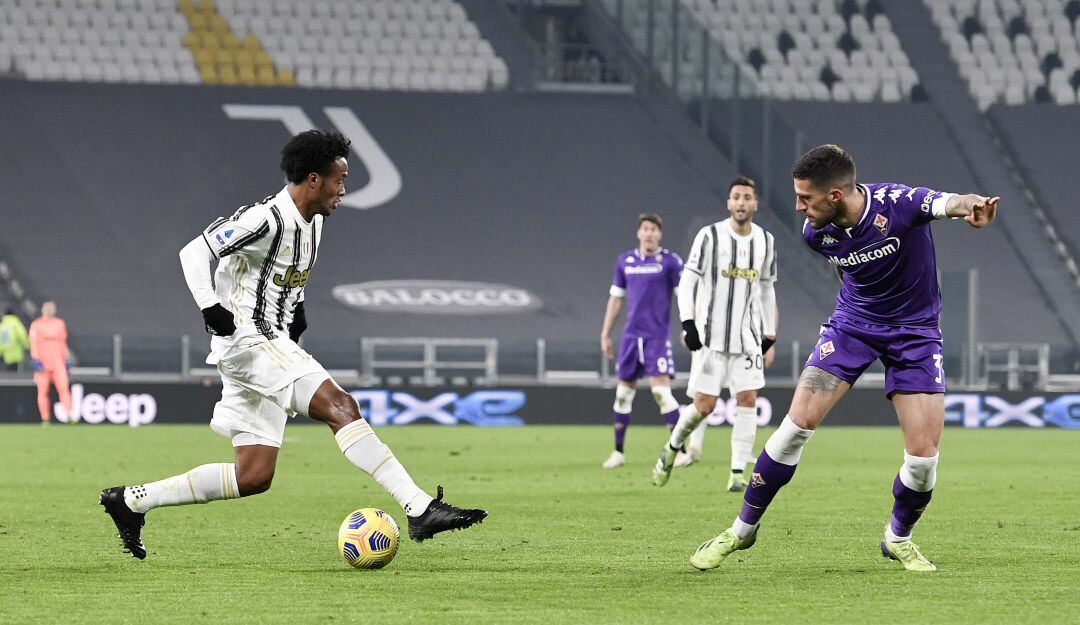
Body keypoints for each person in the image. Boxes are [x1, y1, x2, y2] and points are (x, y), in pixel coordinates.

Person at [99, 130, 487, 560]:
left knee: (253, 476)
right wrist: (211, 307)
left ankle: (132, 500)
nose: (344, 189)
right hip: (249, 342)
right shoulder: (265, 219)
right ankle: (419, 508)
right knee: (342, 406)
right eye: (339, 179)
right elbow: (193, 253)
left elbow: (285, 276)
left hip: (269, 343)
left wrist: (296, 311)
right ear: (314, 180)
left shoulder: (314, 224)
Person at [686, 144, 998, 573]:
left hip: (915, 336)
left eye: (805, 198)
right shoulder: (817, 234)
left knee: (923, 463)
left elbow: (948, 202)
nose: (798, 208)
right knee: (795, 427)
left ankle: (898, 538)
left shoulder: (900, 204)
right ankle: (741, 530)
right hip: (852, 327)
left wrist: (972, 207)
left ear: (834, 195)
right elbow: (846, 269)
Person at [651, 177, 778, 493]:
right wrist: (688, 322)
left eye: (746, 197)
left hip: (747, 338)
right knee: (704, 406)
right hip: (711, 337)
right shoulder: (709, 237)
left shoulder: (766, 241)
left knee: (748, 398)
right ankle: (673, 447)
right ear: (728, 202)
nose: (740, 203)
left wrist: (769, 333)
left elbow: (765, 289)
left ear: (755, 204)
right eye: (735, 197)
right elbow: (689, 282)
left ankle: (736, 474)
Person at [599, 213, 683, 468]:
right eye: (645, 229)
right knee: (623, 395)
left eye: (654, 229)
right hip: (630, 339)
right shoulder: (625, 261)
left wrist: (688, 327)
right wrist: (605, 333)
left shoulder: (670, 262)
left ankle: (680, 450)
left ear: (660, 234)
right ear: (638, 233)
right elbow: (616, 299)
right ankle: (618, 452)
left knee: (661, 393)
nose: (649, 233)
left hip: (656, 337)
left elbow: (685, 297)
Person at [28, 301, 71, 424]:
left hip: (58, 362)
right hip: (43, 362)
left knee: (63, 388)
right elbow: (33, 343)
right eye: (47, 308)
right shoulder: (36, 325)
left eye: (51, 308)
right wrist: (35, 359)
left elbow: (63, 342)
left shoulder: (60, 324)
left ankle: (69, 414)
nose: (49, 310)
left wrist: (66, 358)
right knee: (43, 391)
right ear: (42, 310)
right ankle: (45, 417)